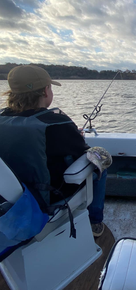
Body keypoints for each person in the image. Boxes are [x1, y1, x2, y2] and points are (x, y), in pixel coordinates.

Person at [0, 64, 107, 237]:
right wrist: (77, 136)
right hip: (48, 198)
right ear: (45, 91)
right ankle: (95, 221)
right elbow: (83, 152)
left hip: (8, 200)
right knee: (99, 163)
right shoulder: (56, 124)